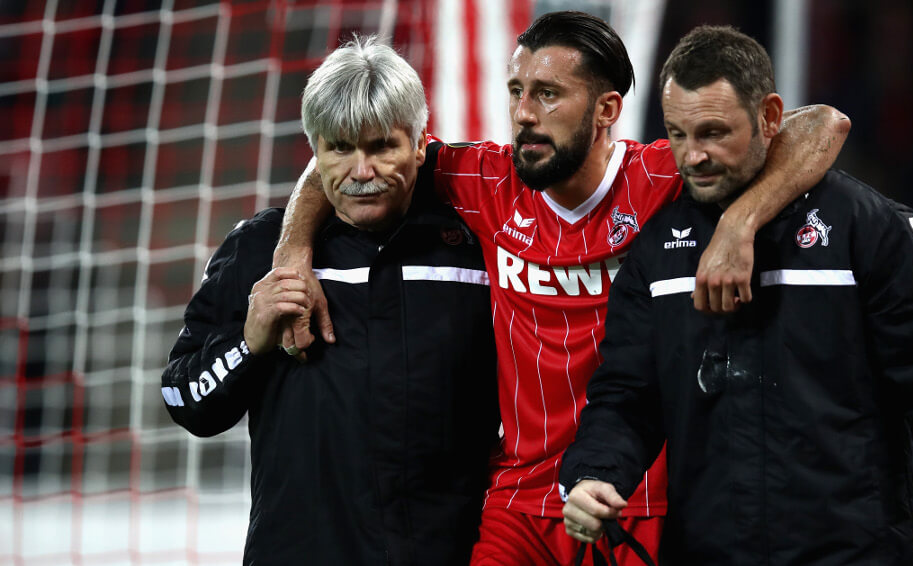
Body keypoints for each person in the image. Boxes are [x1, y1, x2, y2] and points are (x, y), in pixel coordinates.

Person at [273, 12, 850, 565]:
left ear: (607, 109)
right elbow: (349, 146)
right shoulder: (486, 180)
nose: (523, 113)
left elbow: (823, 124)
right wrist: (292, 252)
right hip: (521, 501)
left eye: (547, 94)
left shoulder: (661, 178)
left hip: (642, 496)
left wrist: (738, 222)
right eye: (516, 91)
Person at [559, 25, 913, 566]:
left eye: (714, 133)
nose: (692, 157)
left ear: (770, 117)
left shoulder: (870, 232)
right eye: (677, 134)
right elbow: (626, 397)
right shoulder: (657, 253)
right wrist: (594, 474)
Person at [160, 37, 499, 565]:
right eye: (339, 148)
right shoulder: (259, 250)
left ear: (420, 144)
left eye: (381, 146)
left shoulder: (480, 246)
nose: (360, 171)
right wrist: (249, 344)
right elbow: (184, 402)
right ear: (315, 152)